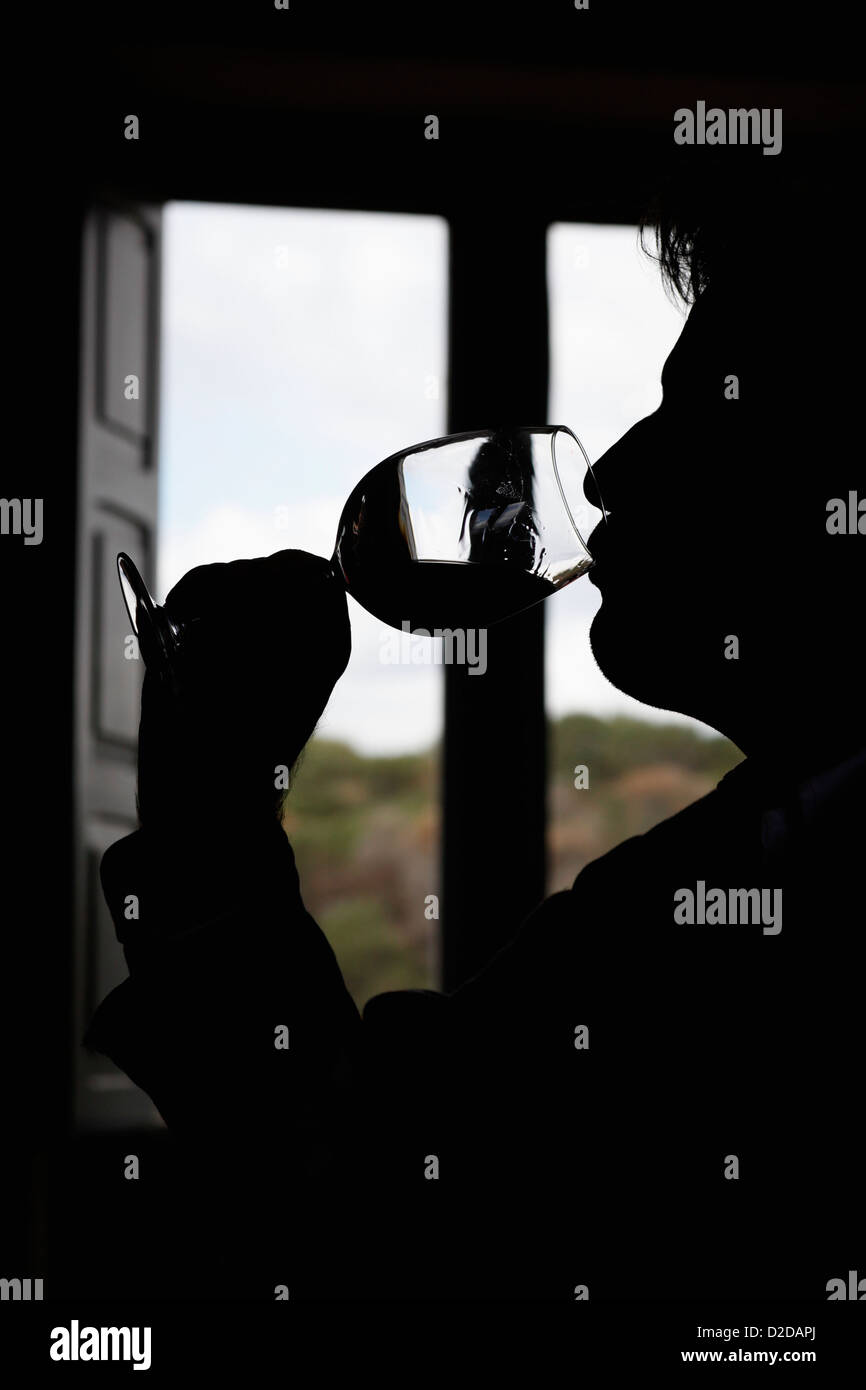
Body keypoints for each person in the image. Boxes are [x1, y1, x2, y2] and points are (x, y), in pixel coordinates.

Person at [84, 159, 865, 1301]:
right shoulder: (720, 853)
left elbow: (357, 1218)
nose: (611, 471)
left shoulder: (757, 899)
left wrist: (208, 822)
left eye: (707, 408)